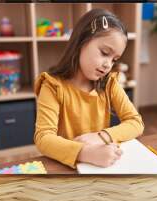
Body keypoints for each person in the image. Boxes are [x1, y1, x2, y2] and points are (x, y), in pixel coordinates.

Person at [34, 8, 144, 169]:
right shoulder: (52, 86)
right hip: (67, 168)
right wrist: (85, 153)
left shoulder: (109, 84)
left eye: (114, 59)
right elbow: (43, 138)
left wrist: (101, 136)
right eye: (104, 52)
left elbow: (136, 122)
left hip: (101, 166)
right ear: (81, 42)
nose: (108, 65)